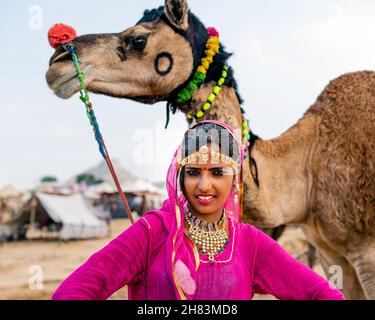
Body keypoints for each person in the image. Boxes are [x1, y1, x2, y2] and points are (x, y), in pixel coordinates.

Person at [52, 120, 344, 300]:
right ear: (180, 175)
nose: (204, 185)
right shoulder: (153, 232)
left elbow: (321, 293)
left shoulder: (249, 243)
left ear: (235, 179)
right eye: (193, 172)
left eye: (217, 172)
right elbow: (72, 292)